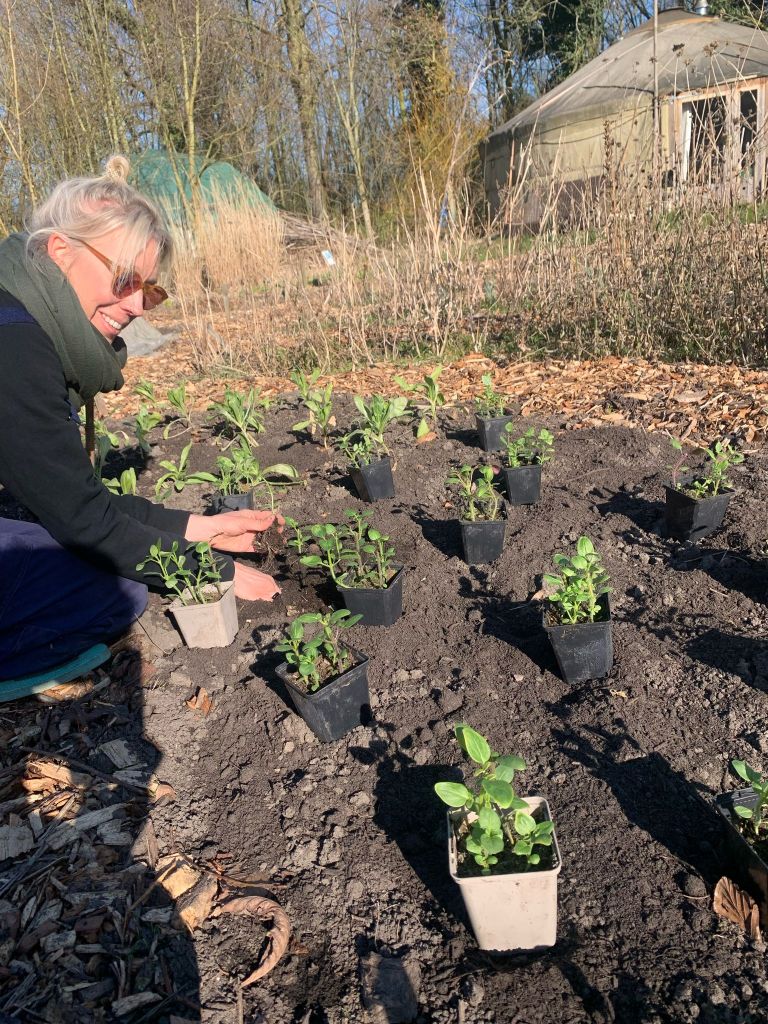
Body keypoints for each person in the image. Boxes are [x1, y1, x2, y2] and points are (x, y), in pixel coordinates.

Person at [0, 156, 281, 682]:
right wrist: (210, 569)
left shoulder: (24, 318)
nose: (137, 306)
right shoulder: (14, 349)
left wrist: (202, 528)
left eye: (150, 289)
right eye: (126, 278)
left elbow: (72, 499)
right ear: (60, 252)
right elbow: (83, 523)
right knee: (109, 591)